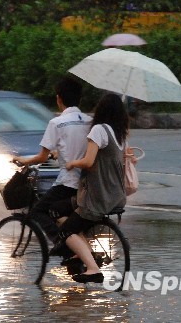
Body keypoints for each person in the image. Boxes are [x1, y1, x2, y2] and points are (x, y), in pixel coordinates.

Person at [59, 93, 130, 284]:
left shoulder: (99, 130)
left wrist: (72, 163)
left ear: (101, 110)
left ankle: (93, 268)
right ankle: (81, 253)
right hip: (116, 195)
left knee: (65, 230)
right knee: (66, 210)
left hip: (98, 196)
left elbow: (89, 162)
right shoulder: (120, 134)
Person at [12, 76, 92, 241]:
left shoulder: (57, 123)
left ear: (58, 98)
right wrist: (58, 153)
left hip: (69, 182)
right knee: (63, 214)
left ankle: (61, 242)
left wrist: (23, 160)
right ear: (80, 98)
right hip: (87, 182)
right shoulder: (90, 121)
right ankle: (75, 247)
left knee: (37, 211)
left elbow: (41, 157)